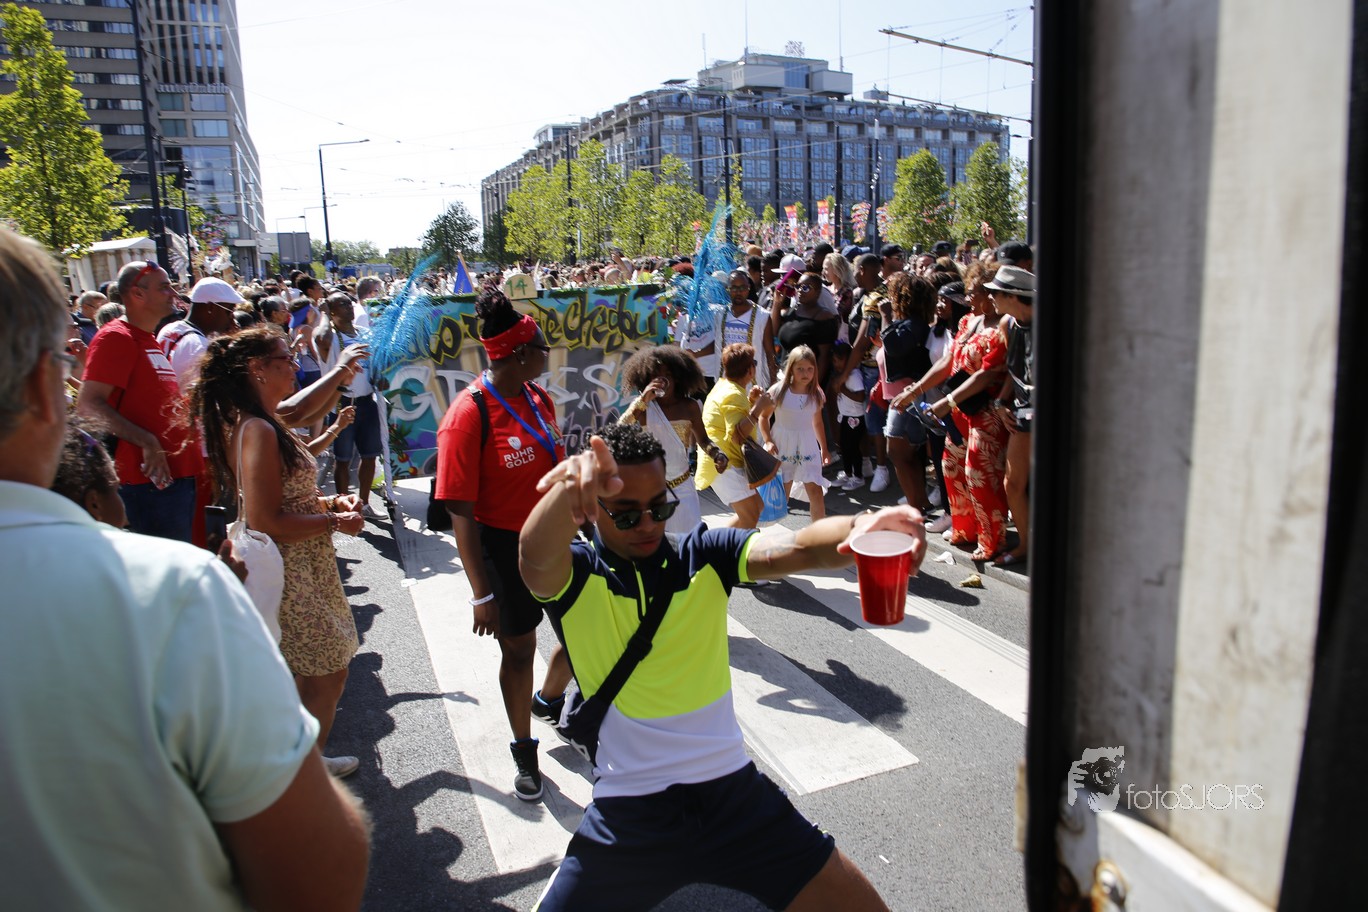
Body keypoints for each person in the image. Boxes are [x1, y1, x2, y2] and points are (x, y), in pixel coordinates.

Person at [0, 227, 370, 910]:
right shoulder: (168, 592)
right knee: (313, 670)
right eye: (63, 360)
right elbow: (320, 870)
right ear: (42, 389)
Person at [520, 422, 919, 911]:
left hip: (736, 798)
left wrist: (858, 529)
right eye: (625, 514)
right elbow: (533, 558)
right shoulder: (578, 575)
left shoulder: (704, 554)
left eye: (659, 508)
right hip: (628, 812)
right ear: (592, 510)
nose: (647, 525)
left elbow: (798, 548)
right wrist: (563, 497)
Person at [190, 326, 368, 779]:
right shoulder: (257, 429)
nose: (294, 365)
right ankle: (301, 778)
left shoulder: (264, 422)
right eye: (285, 359)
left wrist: (331, 503)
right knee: (326, 672)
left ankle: (301, 765)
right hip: (289, 569)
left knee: (310, 673)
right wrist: (335, 522)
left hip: (304, 563)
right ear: (257, 369)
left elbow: (289, 496)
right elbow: (267, 518)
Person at [434, 286, 573, 802]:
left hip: (554, 538)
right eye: (541, 346)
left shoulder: (539, 398)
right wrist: (481, 591)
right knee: (519, 651)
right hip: (502, 547)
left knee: (583, 636)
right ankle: (524, 747)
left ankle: (549, 699)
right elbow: (460, 513)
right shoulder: (467, 414)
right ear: (518, 354)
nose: (547, 352)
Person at [891, 263, 1010, 562]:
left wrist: (950, 400)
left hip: (986, 411)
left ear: (991, 293)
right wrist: (915, 390)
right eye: (967, 292)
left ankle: (992, 539)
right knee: (952, 467)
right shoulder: (968, 321)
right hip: (959, 410)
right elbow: (948, 361)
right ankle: (966, 529)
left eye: (974, 293)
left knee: (979, 474)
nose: (968, 298)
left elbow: (987, 373)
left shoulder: (1004, 326)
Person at [77, 261, 203, 542]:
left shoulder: (145, 338)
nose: (173, 293)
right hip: (146, 483)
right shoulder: (115, 337)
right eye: (164, 287)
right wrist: (147, 441)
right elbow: (89, 405)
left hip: (172, 477)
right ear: (137, 294)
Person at [618, 344, 726, 537]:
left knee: (690, 541)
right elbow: (618, 430)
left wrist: (717, 454)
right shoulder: (643, 408)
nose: (662, 379)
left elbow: (703, 440)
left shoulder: (690, 406)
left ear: (678, 377)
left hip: (684, 489)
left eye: (668, 374)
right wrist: (642, 401)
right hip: (651, 491)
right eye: (655, 375)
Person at [694, 343, 774, 529]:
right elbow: (737, 436)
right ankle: (720, 545)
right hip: (724, 465)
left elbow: (733, 418)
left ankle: (718, 543)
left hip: (722, 461)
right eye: (754, 363)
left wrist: (751, 402)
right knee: (751, 515)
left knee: (756, 509)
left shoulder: (724, 386)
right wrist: (758, 408)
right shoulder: (733, 394)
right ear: (750, 371)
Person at [317, 292, 382, 517]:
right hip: (342, 404)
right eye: (341, 304)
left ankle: (363, 504)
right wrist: (324, 314)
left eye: (348, 302)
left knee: (369, 455)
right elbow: (321, 339)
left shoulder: (364, 332)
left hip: (367, 402)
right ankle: (344, 506)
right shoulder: (331, 337)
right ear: (332, 310)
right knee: (343, 459)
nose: (348, 306)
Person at [987, 268, 1035, 566]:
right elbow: (1012, 371)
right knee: (1013, 484)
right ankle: (1026, 546)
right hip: (1022, 412)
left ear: (1013, 296)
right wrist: (1000, 402)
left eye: (995, 292)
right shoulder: (1008, 323)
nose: (990, 297)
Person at [761, 345, 831, 520]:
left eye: (810, 369)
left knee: (816, 492)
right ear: (791, 368)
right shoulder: (778, 391)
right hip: (783, 445)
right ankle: (771, 530)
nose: (805, 373)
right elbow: (764, 417)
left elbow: (817, 422)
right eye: (800, 369)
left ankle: (818, 532)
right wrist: (768, 440)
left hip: (807, 445)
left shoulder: (816, 394)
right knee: (781, 494)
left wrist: (824, 448)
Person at [847, 254, 892, 493]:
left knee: (874, 419)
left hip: (874, 368)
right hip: (878, 367)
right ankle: (868, 464)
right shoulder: (877, 293)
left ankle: (882, 468)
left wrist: (844, 373)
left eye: (855, 270)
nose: (853, 275)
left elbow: (862, 342)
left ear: (862, 270)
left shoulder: (875, 298)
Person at [158, 276, 242, 392]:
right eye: (229, 311)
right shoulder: (200, 347)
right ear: (211, 307)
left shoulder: (169, 329)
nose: (232, 318)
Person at [717, 269, 777, 389]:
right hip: (726, 382)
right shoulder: (720, 314)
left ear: (749, 288)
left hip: (752, 382)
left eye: (742, 288)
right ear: (728, 289)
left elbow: (770, 353)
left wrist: (773, 383)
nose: (738, 292)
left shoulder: (762, 316)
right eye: (734, 288)